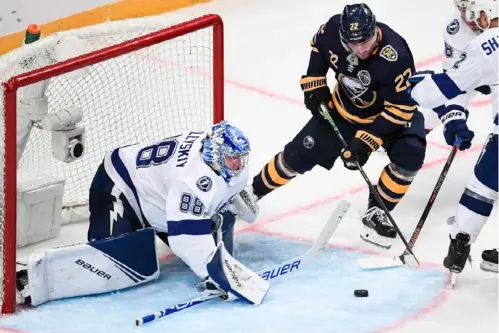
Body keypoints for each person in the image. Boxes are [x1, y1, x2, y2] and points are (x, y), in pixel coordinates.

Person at [229, 3, 426, 250]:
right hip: (344, 111)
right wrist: (315, 83)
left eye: (366, 41)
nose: (362, 49)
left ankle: (378, 210)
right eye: (354, 44)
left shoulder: (395, 55)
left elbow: (400, 108)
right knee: (297, 154)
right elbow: (318, 47)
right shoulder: (332, 30)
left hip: (389, 117)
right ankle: (253, 192)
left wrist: (366, 141)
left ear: (375, 30)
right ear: (344, 37)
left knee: (411, 152)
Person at [15, 121, 270, 306]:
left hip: (159, 199)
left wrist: (234, 200)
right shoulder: (191, 180)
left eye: (241, 158)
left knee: (220, 219)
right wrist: (215, 275)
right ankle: (29, 278)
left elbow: (222, 195)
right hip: (120, 185)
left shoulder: (220, 163)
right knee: (117, 264)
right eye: (232, 159)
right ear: (216, 154)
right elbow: (186, 238)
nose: (238, 165)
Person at [407, 0, 498, 274]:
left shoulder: (488, 44)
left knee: (483, 185)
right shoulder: (457, 29)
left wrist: (417, 88)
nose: (464, 15)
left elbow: (447, 85)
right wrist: (454, 117)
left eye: (468, 10)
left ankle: (460, 243)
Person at [421, 0, 492, 134]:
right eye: (461, 9)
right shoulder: (455, 30)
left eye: (471, 11)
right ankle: (415, 130)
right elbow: (453, 81)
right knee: (446, 94)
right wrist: (455, 113)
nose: (466, 17)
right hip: (479, 69)